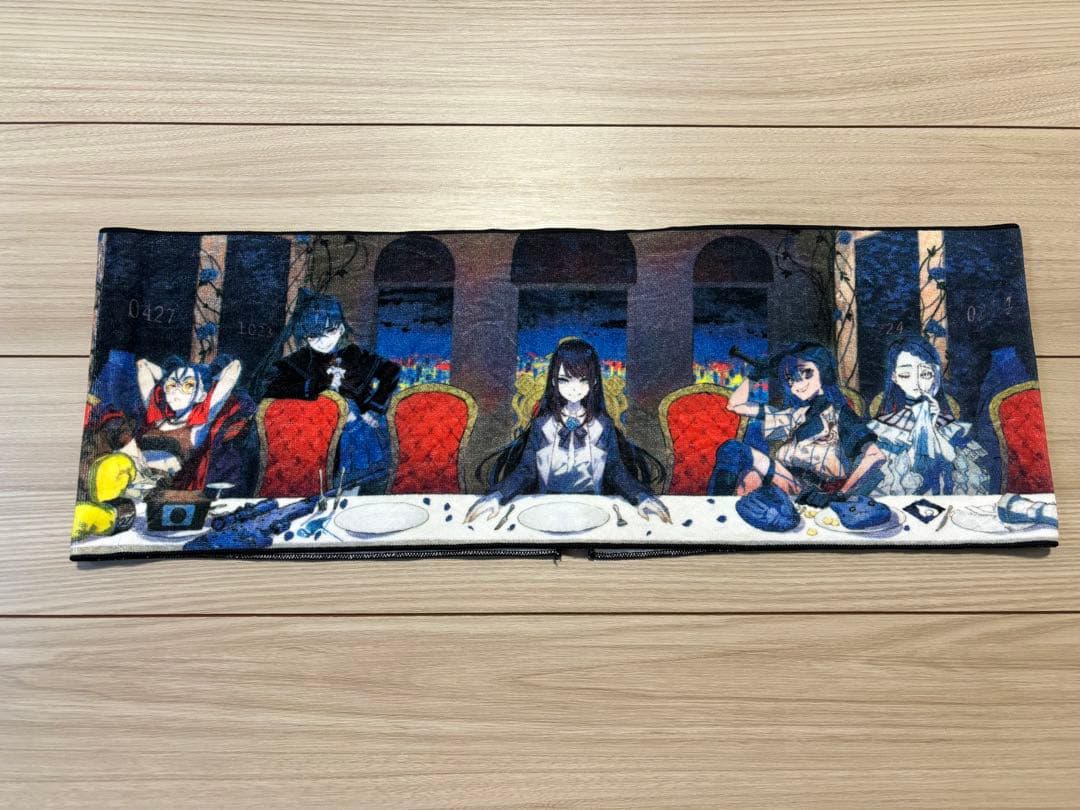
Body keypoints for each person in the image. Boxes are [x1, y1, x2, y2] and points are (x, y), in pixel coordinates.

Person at [466, 338, 671, 523]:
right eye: (565, 380)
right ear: (554, 382)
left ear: (594, 382)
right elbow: (525, 472)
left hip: (595, 511)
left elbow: (616, 472)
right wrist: (496, 496)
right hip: (544, 511)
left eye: (583, 380)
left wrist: (642, 497)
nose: (574, 388)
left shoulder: (602, 426)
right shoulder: (542, 425)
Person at [258, 289, 401, 492]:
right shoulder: (299, 361)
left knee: (354, 483)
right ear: (306, 337)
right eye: (313, 335)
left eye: (330, 331)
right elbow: (267, 386)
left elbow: (392, 371)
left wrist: (374, 407)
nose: (322, 340)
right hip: (314, 436)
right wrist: (316, 387)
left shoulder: (355, 355)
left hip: (358, 434)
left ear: (341, 329)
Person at [709, 342, 885, 499]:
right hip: (791, 485)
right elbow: (735, 406)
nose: (796, 384)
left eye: (806, 373)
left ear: (824, 372)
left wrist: (841, 494)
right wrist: (753, 376)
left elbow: (875, 456)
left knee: (738, 455)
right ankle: (715, 510)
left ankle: (714, 507)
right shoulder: (793, 415)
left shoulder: (841, 415)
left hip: (820, 493)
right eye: (790, 378)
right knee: (744, 470)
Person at [868, 335, 989, 496]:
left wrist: (932, 427)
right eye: (906, 375)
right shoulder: (885, 429)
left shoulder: (947, 425)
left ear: (935, 376)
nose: (916, 383)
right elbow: (883, 483)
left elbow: (969, 477)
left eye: (925, 374)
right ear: (894, 377)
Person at [130, 353, 257, 494]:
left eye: (188, 385)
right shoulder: (157, 418)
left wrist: (205, 377)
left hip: (171, 495)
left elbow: (234, 367)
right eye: (171, 385)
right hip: (138, 488)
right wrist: (173, 376)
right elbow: (143, 365)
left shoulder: (199, 426)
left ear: (202, 396)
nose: (176, 391)